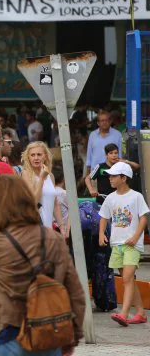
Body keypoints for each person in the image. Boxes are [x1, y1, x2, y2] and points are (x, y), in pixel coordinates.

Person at [0, 175, 85, 356]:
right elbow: (75, 291)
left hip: (10, 332)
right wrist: (74, 335)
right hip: (50, 330)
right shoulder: (53, 239)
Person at [98, 162, 149, 326]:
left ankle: (124, 313)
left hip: (132, 245)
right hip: (116, 244)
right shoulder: (110, 198)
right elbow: (104, 217)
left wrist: (135, 237)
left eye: (114, 176)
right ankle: (140, 313)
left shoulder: (136, 196)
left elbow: (144, 218)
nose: (110, 179)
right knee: (128, 280)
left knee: (127, 278)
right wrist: (101, 234)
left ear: (124, 178)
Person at [21, 142, 66, 233]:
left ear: (45, 156)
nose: (36, 158)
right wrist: (41, 178)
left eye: (39, 154)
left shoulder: (50, 176)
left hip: (48, 226)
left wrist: (61, 226)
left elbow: (55, 204)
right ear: (28, 157)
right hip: (34, 227)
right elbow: (33, 201)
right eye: (32, 155)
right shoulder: (26, 174)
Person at [86, 110, 122, 174]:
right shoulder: (92, 135)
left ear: (110, 121)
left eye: (107, 120)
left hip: (112, 172)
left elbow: (120, 155)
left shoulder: (117, 135)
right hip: (95, 172)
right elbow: (89, 155)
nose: (104, 122)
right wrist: (88, 173)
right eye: (102, 121)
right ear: (98, 123)